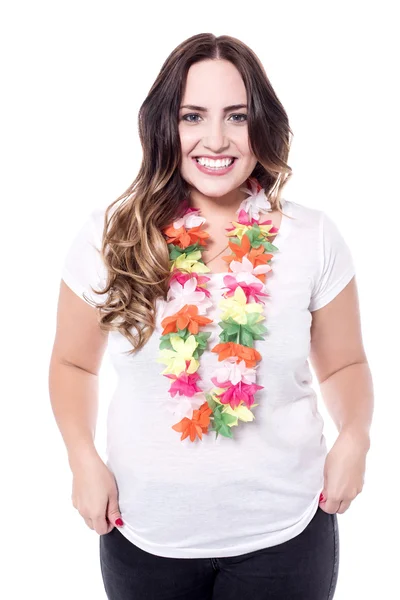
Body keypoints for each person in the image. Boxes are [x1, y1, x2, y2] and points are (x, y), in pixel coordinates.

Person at [49, 32, 373, 600]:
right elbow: (73, 363)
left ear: (262, 126)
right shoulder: (114, 236)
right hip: (145, 536)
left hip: (287, 534)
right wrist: (82, 457)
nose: (215, 139)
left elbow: (345, 364)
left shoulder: (313, 236)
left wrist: (356, 437)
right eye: (192, 116)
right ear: (164, 127)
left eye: (238, 116)